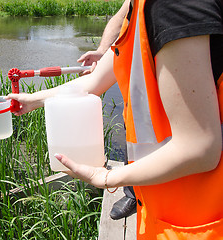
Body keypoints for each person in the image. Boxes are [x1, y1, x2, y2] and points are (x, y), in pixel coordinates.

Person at [7, 0, 223, 238]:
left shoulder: (173, 7)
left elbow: (200, 148)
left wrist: (108, 177)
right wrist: (32, 100)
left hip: (200, 211)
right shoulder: (139, 8)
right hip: (161, 201)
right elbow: (92, 82)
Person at [77, 0, 137, 221]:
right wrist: (103, 51)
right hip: (142, 84)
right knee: (134, 129)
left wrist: (106, 178)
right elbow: (123, 14)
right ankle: (133, 192)